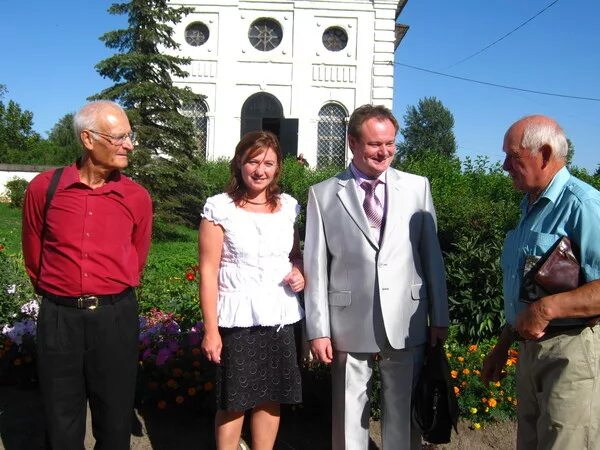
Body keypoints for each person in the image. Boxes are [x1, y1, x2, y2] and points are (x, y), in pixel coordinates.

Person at [303, 104, 449, 450]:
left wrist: (439, 316)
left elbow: (432, 256)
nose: (384, 152)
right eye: (374, 144)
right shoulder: (322, 194)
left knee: (403, 414)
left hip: (406, 315)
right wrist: (318, 329)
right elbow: (316, 266)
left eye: (390, 144)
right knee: (349, 414)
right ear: (353, 143)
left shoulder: (417, 188)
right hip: (347, 319)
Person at [21, 100, 152, 449]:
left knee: (114, 416)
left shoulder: (136, 196)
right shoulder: (44, 189)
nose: (129, 145)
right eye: (120, 137)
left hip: (115, 317)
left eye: (130, 136)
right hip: (59, 318)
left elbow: (137, 257)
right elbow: (34, 257)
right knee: (60, 417)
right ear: (88, 139)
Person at [482, 115, 600, 450]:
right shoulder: (530, 207)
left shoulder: (584, 205)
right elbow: (528, 290)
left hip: (572, 352)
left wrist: (547, 308)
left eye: (513, 157)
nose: (505, 166)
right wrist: (504, 344)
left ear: (545, 154)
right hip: (532, 351)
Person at [199, 130, 305, 450]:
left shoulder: (288, 207)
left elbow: (295, 255)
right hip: (236, 319)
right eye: (253, 162)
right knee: (234, 399)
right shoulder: (219, 208)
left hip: (279, 316)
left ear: (278, 168)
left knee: (271, 396)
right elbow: (208, 272)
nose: (260, 170)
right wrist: (211, 330)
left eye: (268, 163)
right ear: (239, 164)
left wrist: (299, 271)